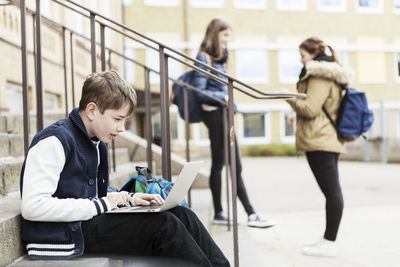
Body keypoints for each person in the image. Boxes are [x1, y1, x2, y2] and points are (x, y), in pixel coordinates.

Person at [20, 71, 230, 267]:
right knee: (164, 225)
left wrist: (127, 198)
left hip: (84, 223)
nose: (122, 128)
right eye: (117, 119)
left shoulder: (96, 142)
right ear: (92, 110)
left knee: (181, 214)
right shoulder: (54, 141)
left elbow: (88, 195)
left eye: (126, 120)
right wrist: (102, 204)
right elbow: (33, 206)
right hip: (65, 234)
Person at [191, 17, 275, 228]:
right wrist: (224, 99)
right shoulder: (204, 57)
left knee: (220, 164)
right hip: (216, 116)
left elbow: (222, 88)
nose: (228, 39)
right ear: (215, 34)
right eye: (225, 35)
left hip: (223, 115)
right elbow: (199, 91)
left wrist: (231, 102)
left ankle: (220, 212)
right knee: (233, 165)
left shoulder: (219, 59)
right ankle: (250, 213)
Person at [286, 37, 351, 257]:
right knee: (332, 191)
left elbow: (311, 108)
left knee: (332, 192)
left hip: (320, 140)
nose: (301, 60)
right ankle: (327, 239)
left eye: (303, 56)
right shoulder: (328, 73)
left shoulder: (319, 75)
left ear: (313, 55)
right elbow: (320, 107)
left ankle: (330, 243)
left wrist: (289, 97)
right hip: (326, 138)